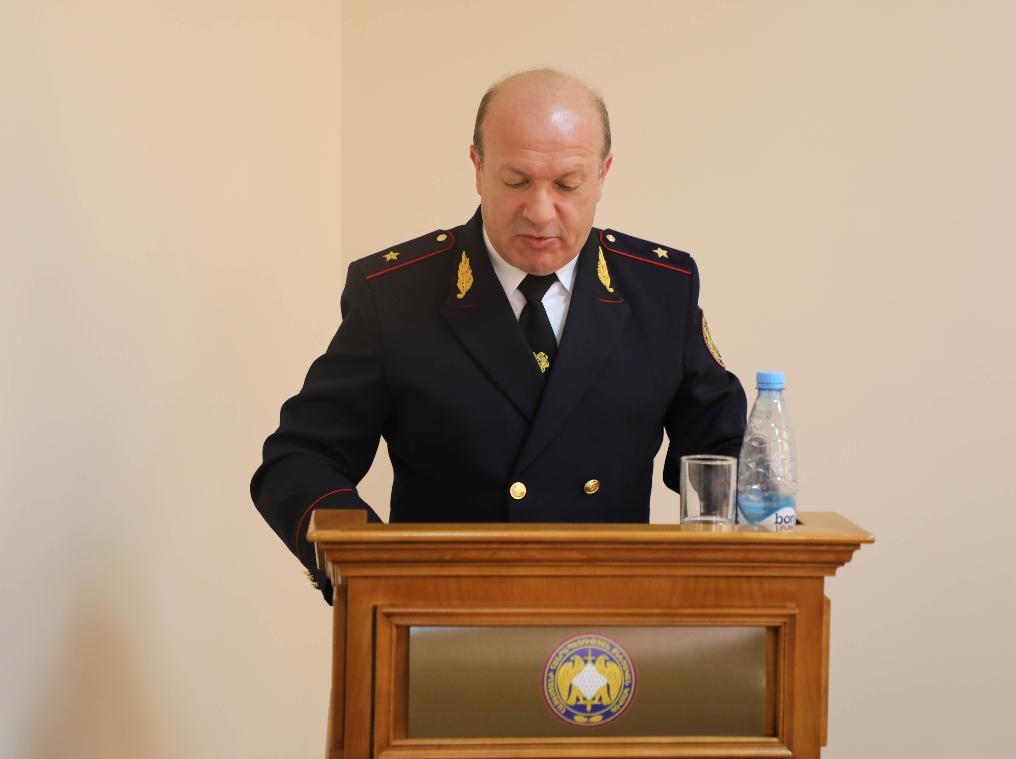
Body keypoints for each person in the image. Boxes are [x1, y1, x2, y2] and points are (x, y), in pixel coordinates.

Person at [251, 69, 746, 602]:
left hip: (607, 624)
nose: (540, 211)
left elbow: (722, 452)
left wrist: (704, 582)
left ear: (603, 175)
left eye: (567, 185)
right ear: (478, 168)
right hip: (442, 617)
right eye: (516, 181)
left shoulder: (660, 290)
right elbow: (299, 460)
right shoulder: (395, 295)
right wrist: (372, 569)